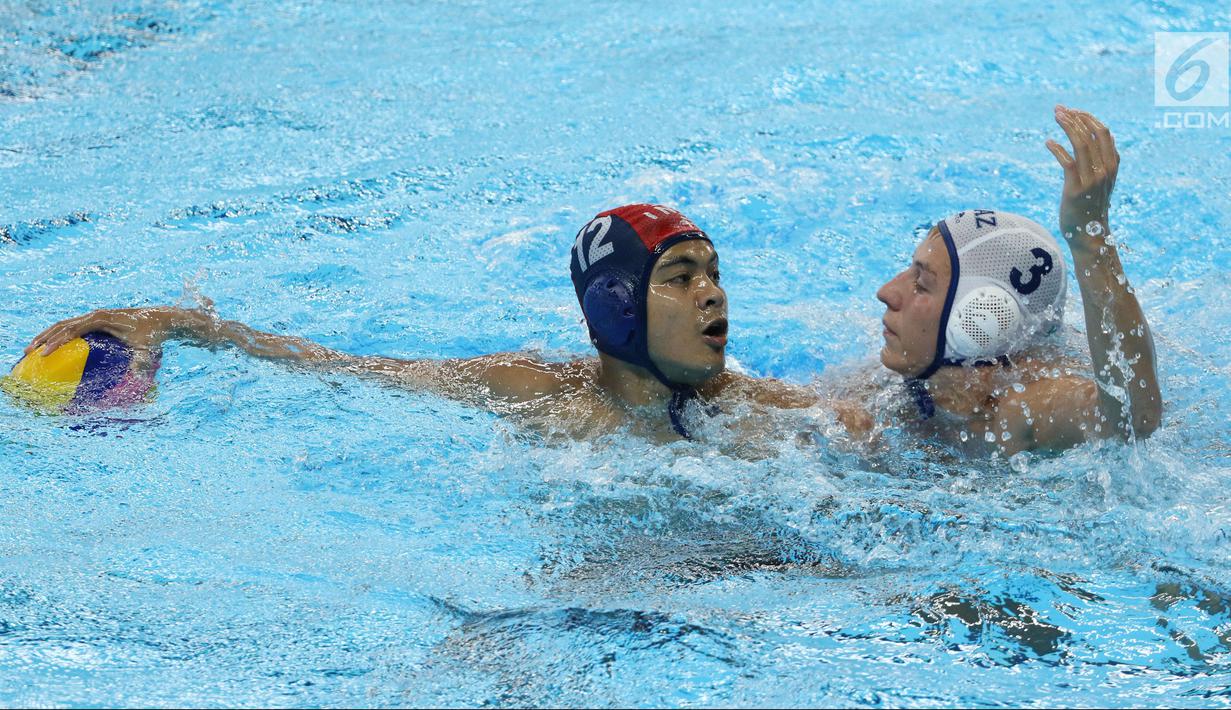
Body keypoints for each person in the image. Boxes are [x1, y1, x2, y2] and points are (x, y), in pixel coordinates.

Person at [21, 203, 810, 442]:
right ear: (615, 303)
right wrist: (183, 324)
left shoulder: (757, 410)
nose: (713, 295)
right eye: (681, 276)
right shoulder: (532, 388)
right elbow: (342, 368)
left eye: (713, 274)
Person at [854, 106, 1161, 454]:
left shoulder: (1019, 410)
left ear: (980, 320)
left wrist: (1089, 239)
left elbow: (1133, 418)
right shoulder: (905, 379)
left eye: (921, 284)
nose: (887, 293)